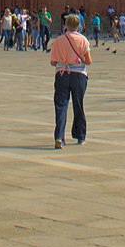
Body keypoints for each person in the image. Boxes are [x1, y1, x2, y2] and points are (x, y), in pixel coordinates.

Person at [50, 12, 92, 147]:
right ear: (79, 26)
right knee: (78, 105)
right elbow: (89, 61)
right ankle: (80, 136)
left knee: (61, 106)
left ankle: (59, 137)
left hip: (62, 74)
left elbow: (53, 62)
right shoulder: (83, 40)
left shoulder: (58, 41)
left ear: (65, 25)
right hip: (79, 75)